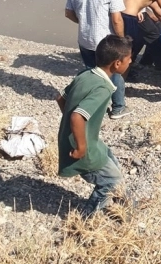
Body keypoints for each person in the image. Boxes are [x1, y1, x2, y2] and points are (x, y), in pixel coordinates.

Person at [56, 35, 132, 215]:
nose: (132, 61)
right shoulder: (102, 88)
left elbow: (61, 98)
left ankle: (122, 200)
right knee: (111, 180)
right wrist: (81, 146)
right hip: (84, 146)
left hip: (88, 139)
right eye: (129, 58)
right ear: (117, 64)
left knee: (110, 158)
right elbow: (77, 116)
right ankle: (87, 216)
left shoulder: (85, 74)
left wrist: (71, 125)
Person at [65, 0, 131, 119]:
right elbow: (117, 19)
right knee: (114, 73)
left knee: (92, 70)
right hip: (105, 40)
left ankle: (90, 104)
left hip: (85, 38)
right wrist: (122, 39)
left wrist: (84, 23)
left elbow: (68, 13)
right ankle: (118, 107)